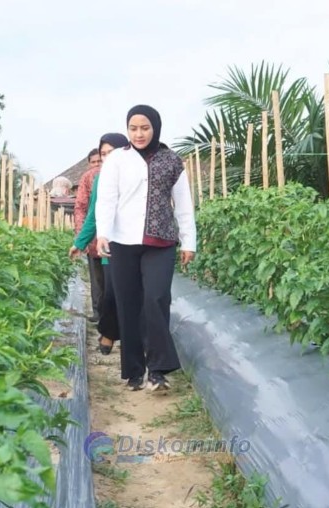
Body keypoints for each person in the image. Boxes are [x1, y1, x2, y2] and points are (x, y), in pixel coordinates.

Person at [95, 105, 196, 392]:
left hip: (160, 241)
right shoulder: (116, 160)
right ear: (128, 130)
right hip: (123, 241)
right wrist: (103, 233)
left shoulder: (171, 161)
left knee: (156, 298)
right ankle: (134, 371)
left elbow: (184, 205)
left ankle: (158, 370)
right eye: (133, 128)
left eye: (145, 128)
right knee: (129, 305)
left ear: (156, 128)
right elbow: (106, 199)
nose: (139, 134)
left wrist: (189, 241)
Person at [70, 133, 130, 355]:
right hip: (108, 243)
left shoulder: (139, 174)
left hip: (137, 245)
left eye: (110, 153)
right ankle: (108, 333)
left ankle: (131, 337)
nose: (106, 158)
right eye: (102, 154)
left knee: (133, 293)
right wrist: (81, 240)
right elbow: (90, 211)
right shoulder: (97, 179)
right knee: (111, 292)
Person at [73, 149, 104, 322]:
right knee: (97, 278)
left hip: (112, 238)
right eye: (93, 162)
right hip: (94, 238)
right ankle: (99, 313)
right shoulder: (86, 178)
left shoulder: (115, 173)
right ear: (88, 164)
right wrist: (82, 237)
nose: (97, 165)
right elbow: (81, 208)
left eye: (100, 161)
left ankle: (108, 315)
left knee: (107, 278)